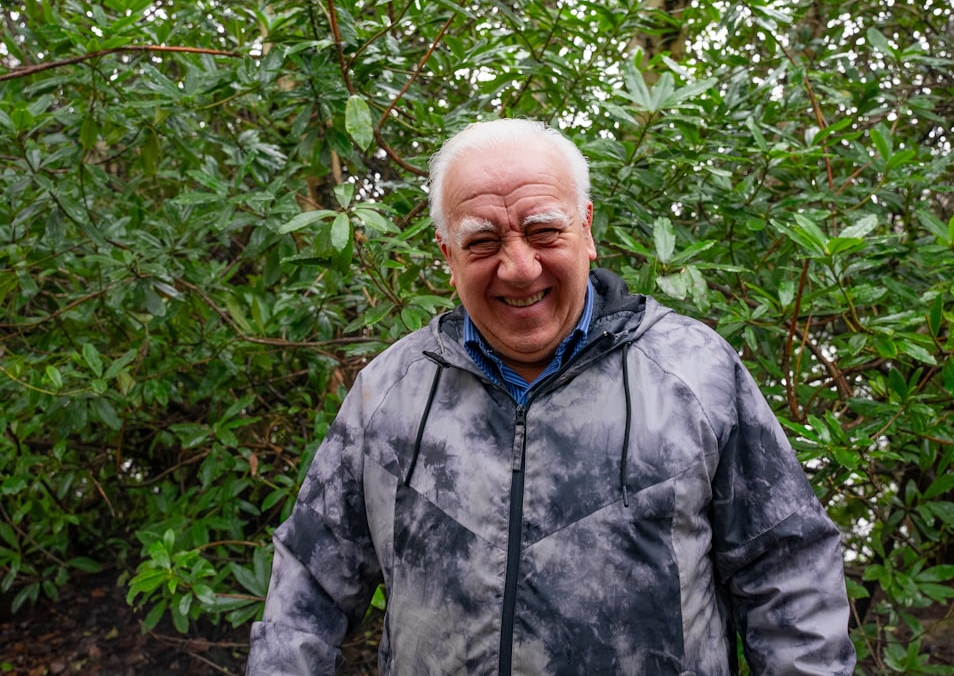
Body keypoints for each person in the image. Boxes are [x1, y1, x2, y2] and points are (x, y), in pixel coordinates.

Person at [246, 119, 856, 676]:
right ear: (448, 256)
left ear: (587, 230)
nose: (519, 267)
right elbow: (308, 585)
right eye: (483, 242)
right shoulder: (389, 393)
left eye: (543, 231)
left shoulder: (695, 374)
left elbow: (788, 570)